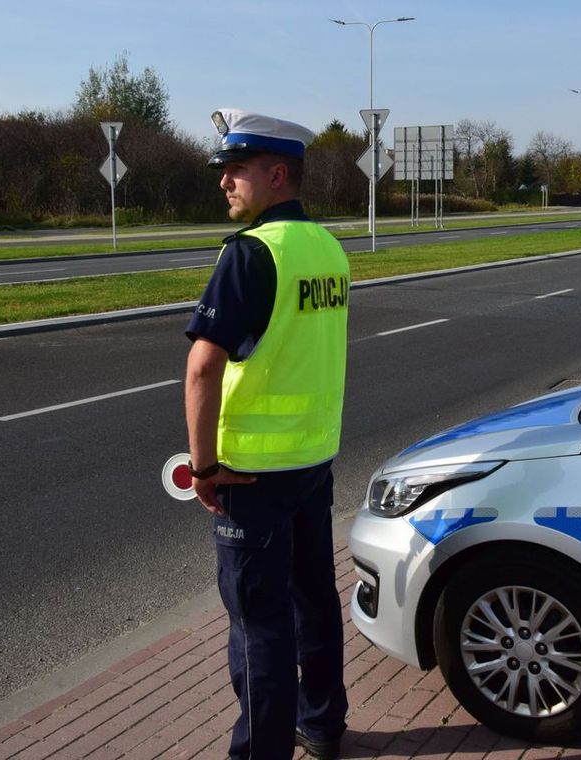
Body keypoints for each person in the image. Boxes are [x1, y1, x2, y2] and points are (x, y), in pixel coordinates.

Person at [184, 108, 350, 760]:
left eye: (237, 170)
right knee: (314, 599)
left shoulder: (252, 253)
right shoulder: (329, 249)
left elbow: (202, 365)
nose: (225, 183)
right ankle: (324, 724)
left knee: (259, 621)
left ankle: (261, 751)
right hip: (313, 458)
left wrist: (201, 468)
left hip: (248, 472)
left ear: (276, 174)